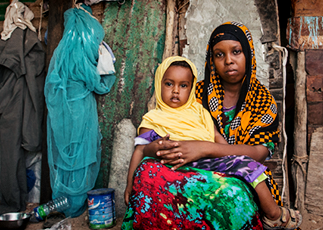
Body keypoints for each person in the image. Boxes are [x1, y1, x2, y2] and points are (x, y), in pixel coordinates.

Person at [122, 22, 301, 230]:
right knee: (147, 172)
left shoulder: (263, 101)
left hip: (236, 171)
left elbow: (259, 153)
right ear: (211, 59)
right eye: (219, 55)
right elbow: (151, 140)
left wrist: (203, 148)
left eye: (236, 52)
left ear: (249, 54)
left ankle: (271, 216)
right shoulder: (194, 94)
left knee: (230, 192)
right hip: (185, 168)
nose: (228, 61)